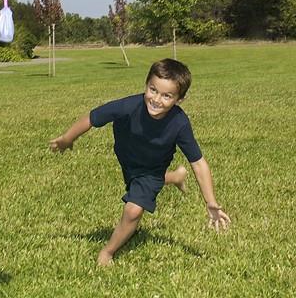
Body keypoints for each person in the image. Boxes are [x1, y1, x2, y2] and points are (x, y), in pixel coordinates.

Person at [50, 58, 230, 266]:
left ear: (179, 99)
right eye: (153, 90)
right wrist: (66, 139)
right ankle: (175, 177)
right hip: (127, 157)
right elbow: (92, 117)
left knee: (133, 209)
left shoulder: (179, 123)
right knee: (140, 182)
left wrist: (210, 202)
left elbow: (198, 163)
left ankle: (108, 252)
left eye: (167, 96)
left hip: (153, 167)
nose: (156, 99)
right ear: (146, 85)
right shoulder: (128, 106)